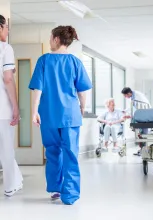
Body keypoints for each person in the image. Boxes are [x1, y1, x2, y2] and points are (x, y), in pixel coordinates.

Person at [28, 25, 92, 205]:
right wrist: (82, 107)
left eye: (50, 38)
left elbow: (37, 89)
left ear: (57, 39)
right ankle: (70, 195)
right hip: (70, 115)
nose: (49, 41)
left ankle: (56, 189)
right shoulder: (75, 62)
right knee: (70, 153)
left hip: (49, 114)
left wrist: (34, 112)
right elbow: (82, 90)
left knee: (53, 151)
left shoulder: (44, 61)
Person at [0, 15, 23, 196]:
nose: (8, 31)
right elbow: (8, 79)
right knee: (6, 148)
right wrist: (15, 106)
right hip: (3, 109)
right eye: (7, 27)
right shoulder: (5, 48)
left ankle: (16, 180)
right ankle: (9, 187)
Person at [121, 87, 151, 156]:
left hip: (144, 116)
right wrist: (126, 111)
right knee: (141, 134)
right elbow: (132, 107)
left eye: (125, 95)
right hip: (141, 116)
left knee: (143, 134)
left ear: (128, 93)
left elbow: (139, 107)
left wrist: (130, 115)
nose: (125, 97)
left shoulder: (137, 96)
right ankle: (142, 150)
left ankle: (144, 150)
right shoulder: (132, 97)